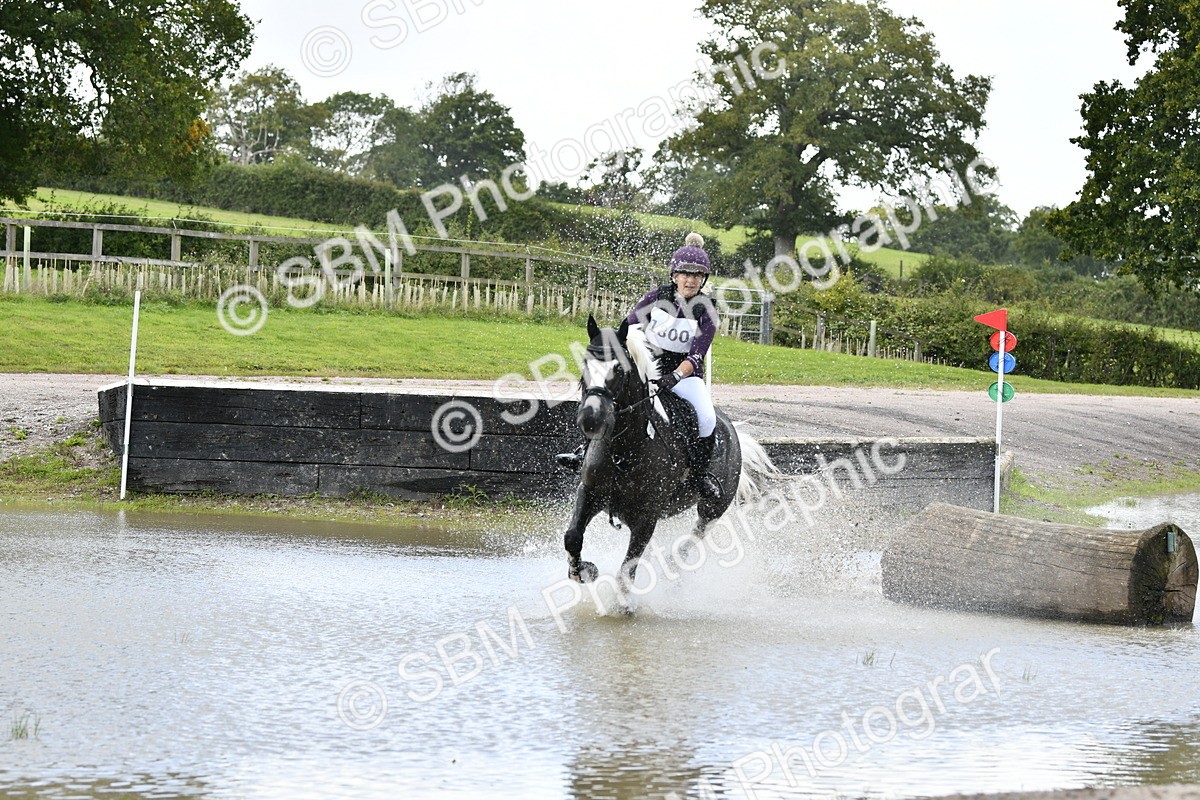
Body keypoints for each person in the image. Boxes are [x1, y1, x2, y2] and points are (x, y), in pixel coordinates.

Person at [558, 232, 723, 500]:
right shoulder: (656, 297)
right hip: (648, 367)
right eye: (685, 274)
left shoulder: (707, 311)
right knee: (606, 395)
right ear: (674, 276)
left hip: (684, 375)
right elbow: (630, 327)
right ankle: (584, 450)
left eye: (697, 275)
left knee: (706, 418)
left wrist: (676, 376)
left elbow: (696, 355)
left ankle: (698, 475)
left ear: (703, 280)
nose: (690, 280)